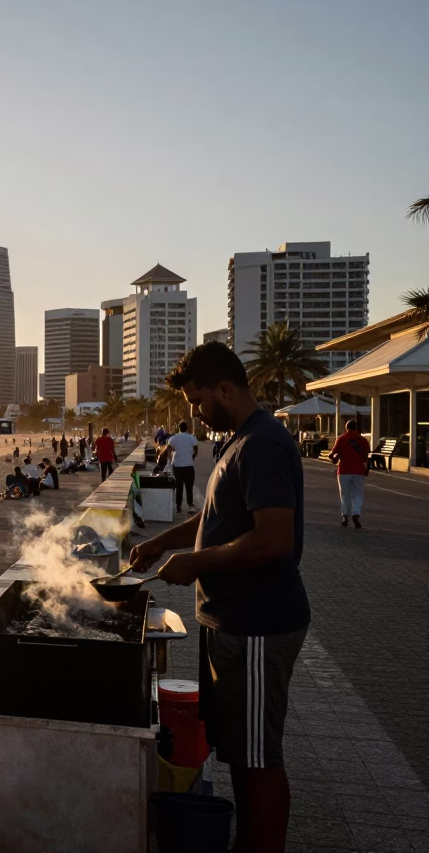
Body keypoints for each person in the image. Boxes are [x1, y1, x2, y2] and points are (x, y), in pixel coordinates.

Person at [129, 341, 309, 853]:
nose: (195, 413)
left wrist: (195, 563)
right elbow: (213, 521)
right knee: (240, 751)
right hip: (230, 623)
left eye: (197, 401)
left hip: (257, 623)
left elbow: (274, 540)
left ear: (225, 389)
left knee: (258, 757)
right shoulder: (236, 441)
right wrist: (161, 542)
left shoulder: (263, 445)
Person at [329, 419, 369, 528]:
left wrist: (334, 458)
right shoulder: (363, 440)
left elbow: (332, 454)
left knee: (344, 494)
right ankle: (356, 513)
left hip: (344, 470)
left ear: (346, 428)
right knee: (357, 494)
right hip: (358, 470)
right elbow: (366, 456)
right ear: (356, 428)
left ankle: (345, 515)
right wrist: (367, 469)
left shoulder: (341, 439)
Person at [167, 421, 200, 513]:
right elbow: (196, 449)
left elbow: (168, 449)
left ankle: (178, 506)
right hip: (189, 466)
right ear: (187, 428)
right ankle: (190, 505)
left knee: (179, 487)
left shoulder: (173, 438)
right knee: (189, 487)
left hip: (177, 466)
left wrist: (171, 459)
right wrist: (192, 457)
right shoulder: (191, 438)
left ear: (179, 428)